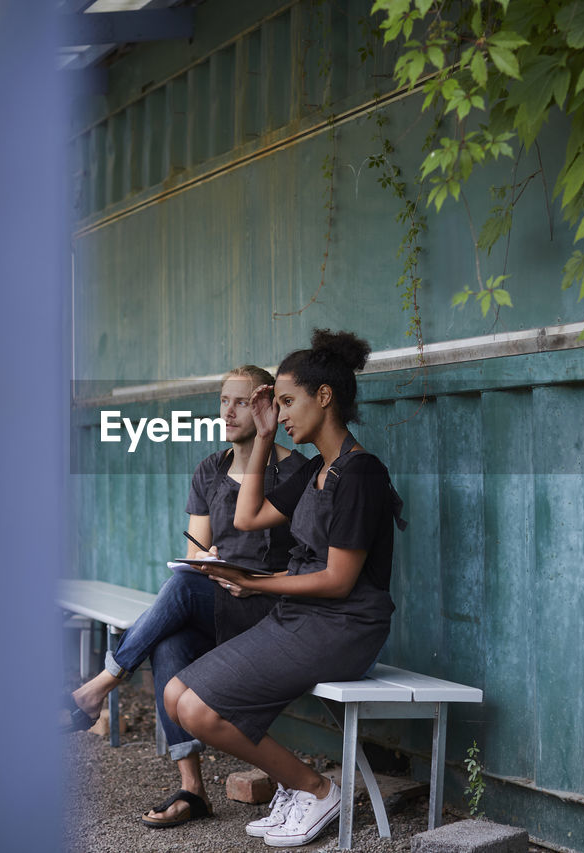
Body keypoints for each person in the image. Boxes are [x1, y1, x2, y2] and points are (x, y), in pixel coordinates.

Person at [165, 329, 405, 848]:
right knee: (174, 694)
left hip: (345, 626)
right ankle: (303, 788)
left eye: (288, 402)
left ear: (325, 397)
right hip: (300, 617)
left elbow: (340, 581)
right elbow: (248, 516)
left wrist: (256, 582)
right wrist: (266, 437)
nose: (283, 412)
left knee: (199, 710)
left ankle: (316, 789)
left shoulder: (360, 475)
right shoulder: (317, 470)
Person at [64, 365, 308, 828]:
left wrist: (230, 574)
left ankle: (101, 685)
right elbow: (194, 554)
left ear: (266, 408)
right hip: (217, 601)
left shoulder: (293, 471)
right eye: (224, 401)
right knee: (168, 640)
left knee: (179, 588)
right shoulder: (210, 470)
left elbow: (305, 557)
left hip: (267, 610)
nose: (230, 411)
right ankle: (192, 790)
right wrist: (207, 559)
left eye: (242, 402)